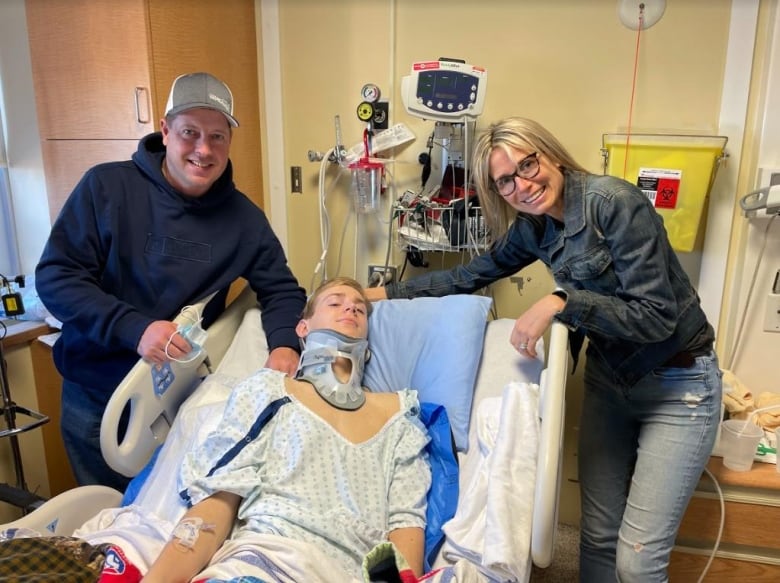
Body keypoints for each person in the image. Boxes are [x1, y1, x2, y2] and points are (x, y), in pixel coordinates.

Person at [366, 117, 723, 582]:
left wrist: (563, 300)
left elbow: (656, 317)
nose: (523, 185)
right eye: (505, 181)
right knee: (594, 537)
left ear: (549, 153)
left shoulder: (614, 204)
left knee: (637, 559)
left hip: (680, 385)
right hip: (610, 381)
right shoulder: (533, 227)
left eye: (527, 164)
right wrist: (385, 295)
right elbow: (470, 274)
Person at [35, 72, 306, 493]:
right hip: (97, 400)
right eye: (190, 133)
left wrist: (286, 344)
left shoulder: (244, 221)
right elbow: (56, 276)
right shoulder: (106, 187)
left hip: (182, 405)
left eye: (217, 136)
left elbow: (282, 289)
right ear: (165, 131)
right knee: (109, 526)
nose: (204, 149)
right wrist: (134, 328)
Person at [84, 277, 428, 583]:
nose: (350, 310)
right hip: (261, 562)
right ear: (303, 329)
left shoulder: (399, 415)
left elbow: (405, 521)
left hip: (343, 570)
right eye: (335, 303)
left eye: (360, 310)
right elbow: (220, 496)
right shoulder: (269, 392)